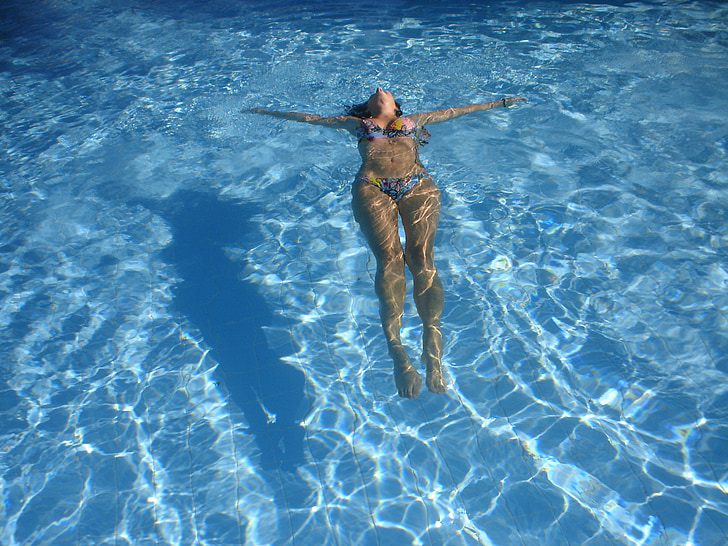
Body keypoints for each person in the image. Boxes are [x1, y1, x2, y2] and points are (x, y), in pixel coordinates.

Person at [249, 88, 524, 398]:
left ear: (396, 105)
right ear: (368, 106)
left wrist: (499, 103)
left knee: (422, 261)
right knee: (390, 260)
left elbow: (457, 110)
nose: (379, 90)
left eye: (384, 91)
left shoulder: (415, 120)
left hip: (416, 182)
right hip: (372, 186)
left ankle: (432, 351)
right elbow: (310, 119)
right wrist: (265, 112)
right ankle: (397, 352)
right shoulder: (353, 122)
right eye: (373, 93)